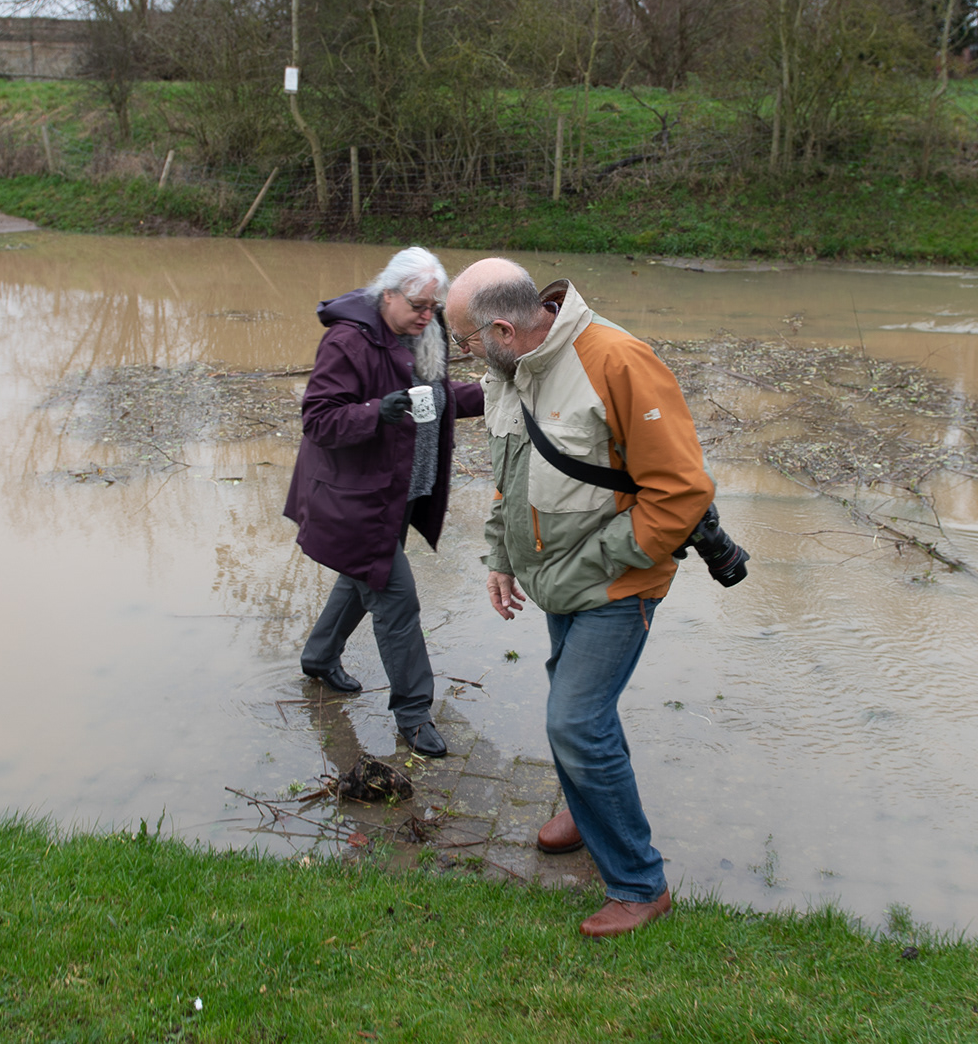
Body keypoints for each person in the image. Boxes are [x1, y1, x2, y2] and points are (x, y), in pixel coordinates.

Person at [446, 257, 715, 937]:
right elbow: (511, 468)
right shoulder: (513, 371)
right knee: (575, 700)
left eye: (466, 341)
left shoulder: (619, 361)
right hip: (554, 577)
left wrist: (596, 563)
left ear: (503, 327)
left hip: (616, 580)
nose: (465, 354)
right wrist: (501, 558)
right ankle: (586, 805)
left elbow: (680, 493)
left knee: (575, 719)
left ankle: (638, 882)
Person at [283, 247, 484, 759]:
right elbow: (319, 420)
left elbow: (436, 398)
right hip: (355, 502)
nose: (427, 314)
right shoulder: (348, 340)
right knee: (396, 600)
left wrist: (493, 393)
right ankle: (414, 716)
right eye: (418, 304)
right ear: (387, 294)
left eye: (433, 307)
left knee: (363, 577)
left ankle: (319, 658)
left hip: (395, 495)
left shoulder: (419, 335)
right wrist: (376, 411)